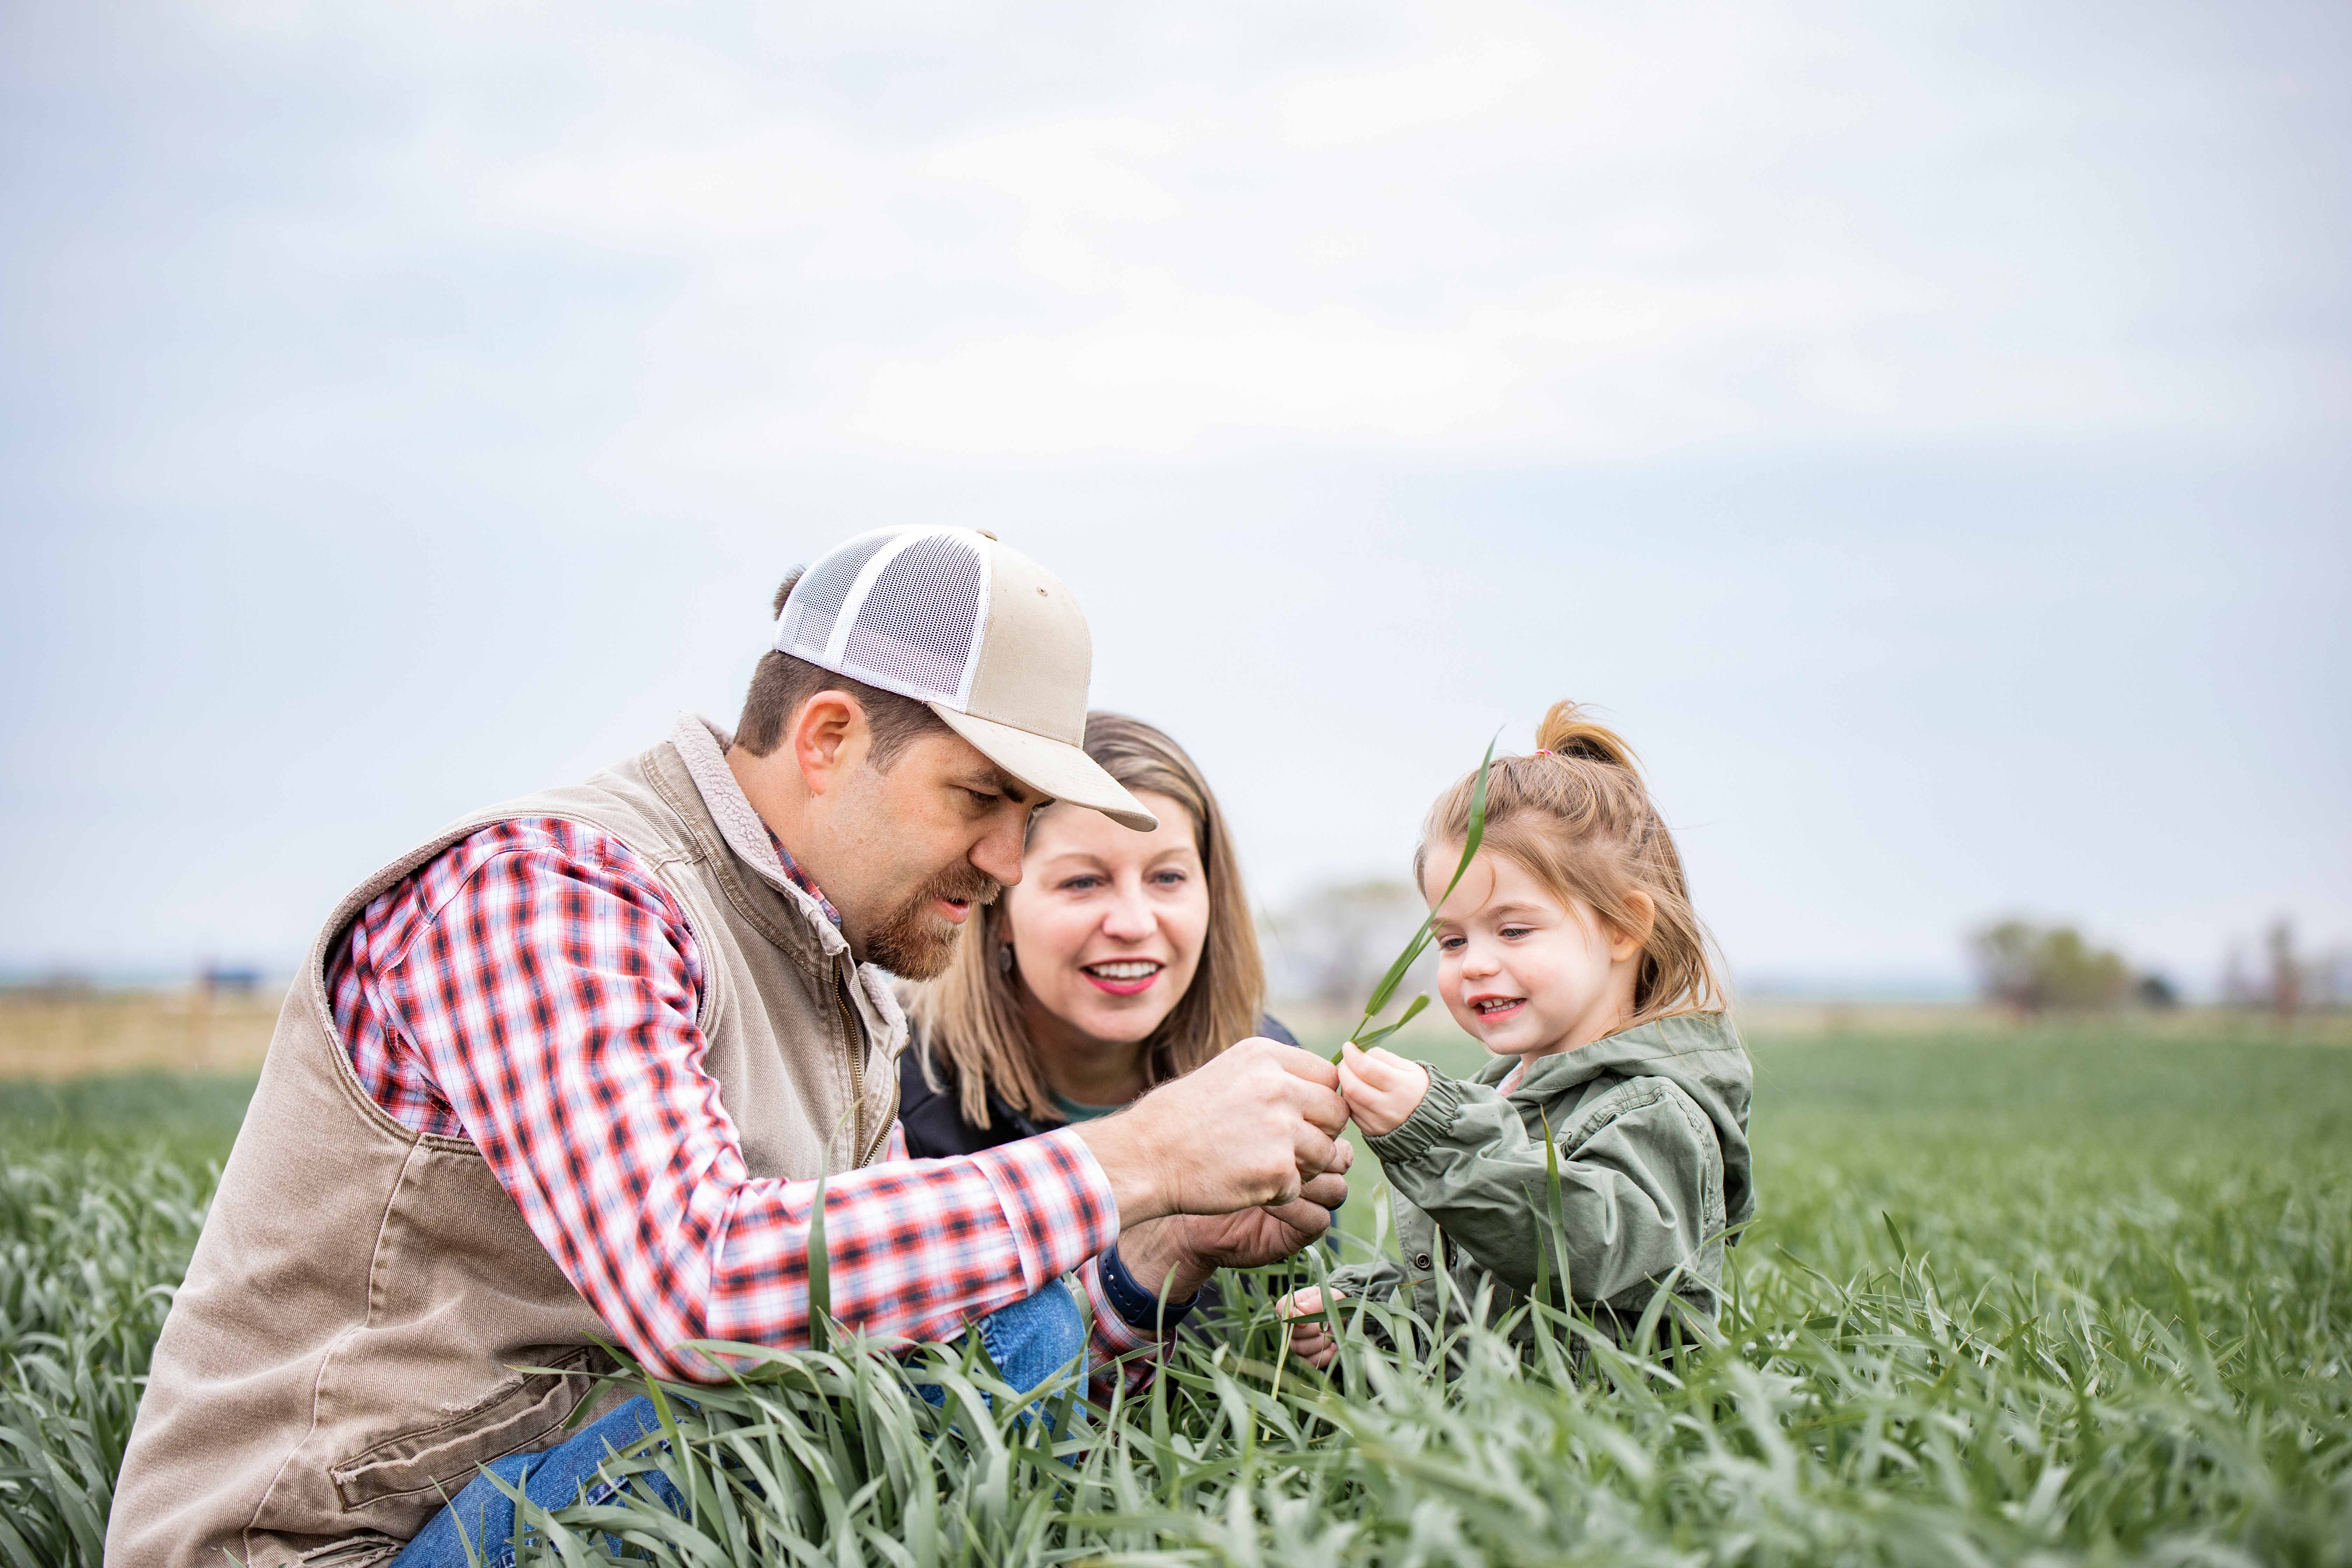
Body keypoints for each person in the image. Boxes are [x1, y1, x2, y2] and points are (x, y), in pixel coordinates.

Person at [108, 527, 1351, 1568]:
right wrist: (1131, 1158)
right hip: (344, 1540)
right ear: (824, 739)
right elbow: (699, 1288)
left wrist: (1157, 1252)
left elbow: (894, 1323)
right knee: (972, 1333)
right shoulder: (553, 893)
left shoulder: (837, 967)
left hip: (548, 1476)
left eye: (1026, 817)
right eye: (979, 800)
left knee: (986, 1323)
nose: (1005, 861)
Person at [1281, 701, 1753, 1371]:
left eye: (1513, 930)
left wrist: (1439, 1134)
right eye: (1451, 939)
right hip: (1502, 1436)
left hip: (1606, 1447)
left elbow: (1585, 1246)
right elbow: (1485, 1294)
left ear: (1624, 926)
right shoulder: (1501, 1091)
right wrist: (1371, 1314)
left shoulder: (1655, 1109)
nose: (1474, 963)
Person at [898, 711, 1300, 1154]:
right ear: (999, 913)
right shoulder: (892, 1087)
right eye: (1083, 882)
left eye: (1168, 877)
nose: (1134, 925)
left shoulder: (1271, 1076)